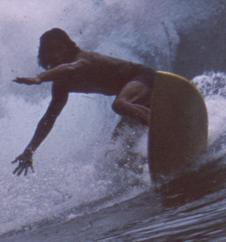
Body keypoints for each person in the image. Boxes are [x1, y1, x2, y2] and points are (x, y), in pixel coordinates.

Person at [11, 28, 156, 175]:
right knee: (116, 152)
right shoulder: (61, 85)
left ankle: (161, 126)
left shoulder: (83, 58)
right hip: (138, 105)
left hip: (144, 77)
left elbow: (70, 67)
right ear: (44, 55)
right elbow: (49, 118)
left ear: (68, 48)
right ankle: (151, 167)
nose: (56, 55)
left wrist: (39, 77)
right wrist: (30, 150)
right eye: (50, 51)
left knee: (119, 104)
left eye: (59, 49)